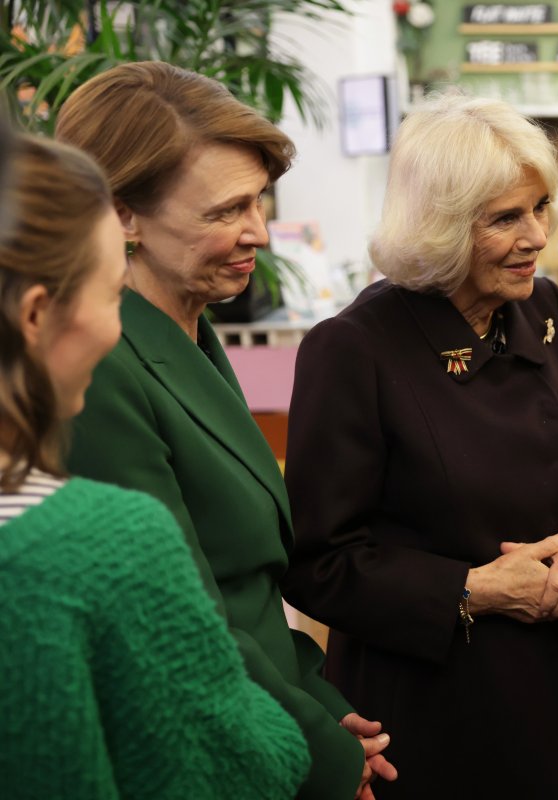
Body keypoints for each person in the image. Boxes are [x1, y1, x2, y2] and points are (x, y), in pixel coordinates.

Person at [54, 62, 396, 800]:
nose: (261, 233)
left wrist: (323, 707)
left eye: (261, 202)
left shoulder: (191, 333)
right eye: (225, 211)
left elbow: (250, 591)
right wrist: (327, 760)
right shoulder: (100, 368)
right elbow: (181, 622)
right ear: (121, 216)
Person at [282, 93, 558, 800]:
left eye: (541, 208)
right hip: (443, 710)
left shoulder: (542, 308)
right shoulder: (354, 348)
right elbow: (319, 563)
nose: (536, 236)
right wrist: (471, 591)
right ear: (438, 225)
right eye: (505, 218)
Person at [0, 133, 311, 798]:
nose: (121, 326)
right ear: (35, 316)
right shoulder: (97, 539)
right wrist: (298, 736)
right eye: (112, 294)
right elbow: (235, 761)